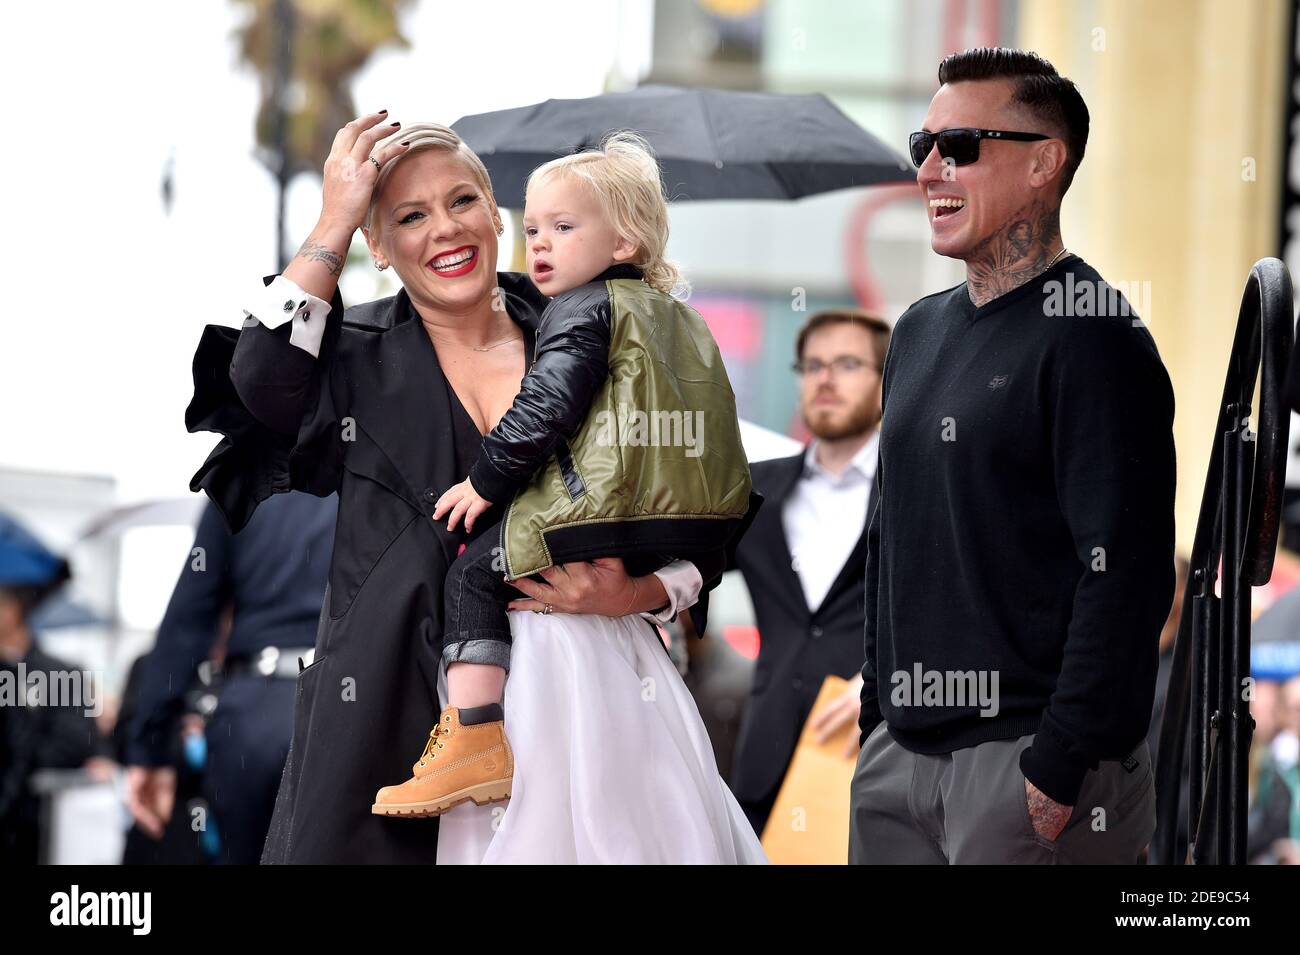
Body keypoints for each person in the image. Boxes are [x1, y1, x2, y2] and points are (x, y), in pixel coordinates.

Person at [187, 114, 764, 863]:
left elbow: (699, 499)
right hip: (386, 725)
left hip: (593, 723)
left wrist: (639, 593)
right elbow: (261, 382)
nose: (444, 230)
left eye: (461, 202)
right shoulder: (352, 355)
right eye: (409, 217)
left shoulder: (606, 324)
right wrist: (333, 217)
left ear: (496, 215)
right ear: (381, 249)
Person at [849, 48, 1175, 864]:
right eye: (922, 142)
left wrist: (1059, 765)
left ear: (1043, 162)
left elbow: (1128, 573)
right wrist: (876, 720)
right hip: (898, 762)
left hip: (1027, 769)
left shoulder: (1098, 337)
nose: (929, 168)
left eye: (958, 146)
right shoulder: (918, 330)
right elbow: (890, 540)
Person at [371, 132, 752, 819]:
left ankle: (473, 733)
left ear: (625, 241)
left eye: (563, 227)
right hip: (669, 522)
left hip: (601, 577)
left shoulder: (578, 313)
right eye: (533, 228)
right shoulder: (682, 322)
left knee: (474, 574)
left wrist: (486, 479)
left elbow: (545, 406)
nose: (538, 244)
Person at [727, 308, 887, 836]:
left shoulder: (916, 494)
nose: (824, 378)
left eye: (846, 364)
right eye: (812, 365)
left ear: (888, 382)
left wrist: (888, 681)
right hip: (763, 760)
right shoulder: (755, 489)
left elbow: (958, 606)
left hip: (872, 757)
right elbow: (679, 573)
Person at [124, 493, 335, 863]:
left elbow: (188, 621)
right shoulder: (385, 461)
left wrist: (150, 748)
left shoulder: (242, 474)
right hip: (354, 705)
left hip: (253, 717)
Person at [0, 515, 102, 863]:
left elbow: (77, 742)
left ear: (15, 607)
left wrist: (19, 758)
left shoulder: (66, 675)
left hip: (41, 835)